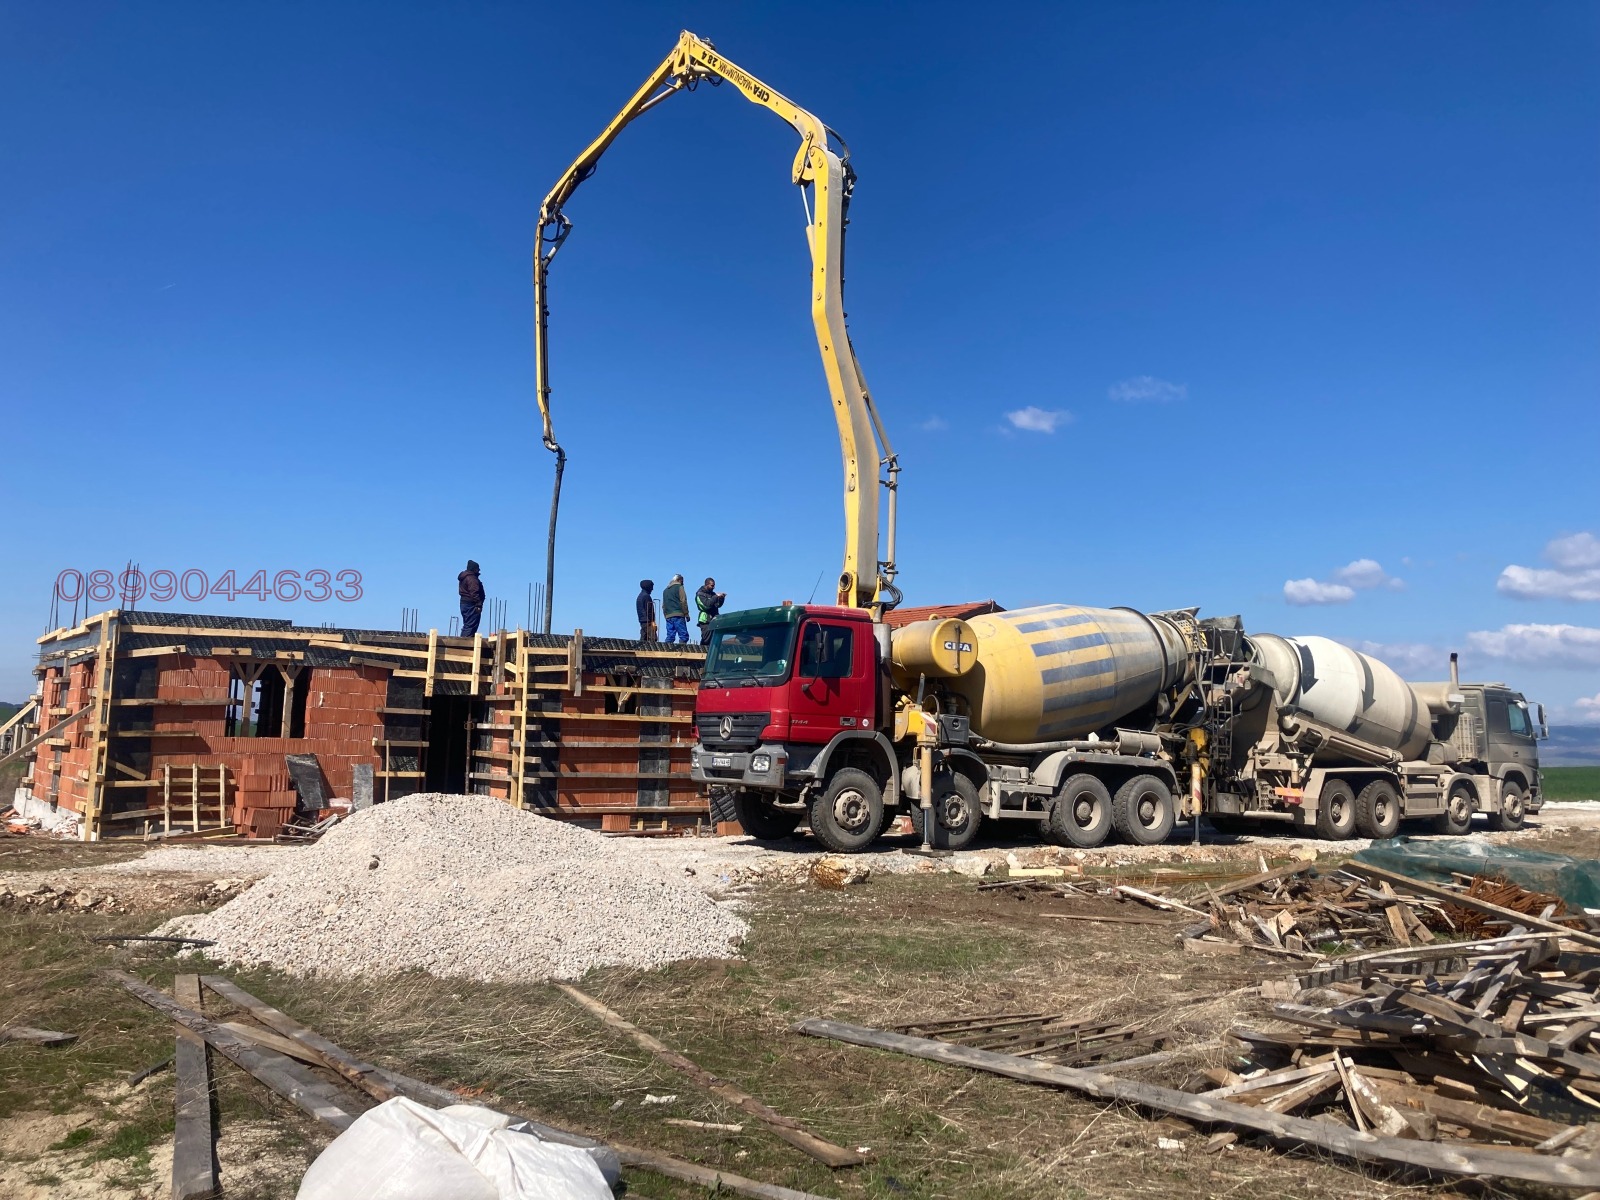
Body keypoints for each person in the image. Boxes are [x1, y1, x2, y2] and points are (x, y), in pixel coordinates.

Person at [458, 560, 485, 637]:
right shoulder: (472, 578)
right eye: (477, 568)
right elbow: (474, 592)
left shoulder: (465, 577)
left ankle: (465, 641)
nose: (479, 570)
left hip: (465, 603)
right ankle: (464, 642)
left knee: (468, 625)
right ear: (474, 569)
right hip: (471, 604)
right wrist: (478, 604)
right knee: (470, 625)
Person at [695, 577, 726, 645]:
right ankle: (702, 649)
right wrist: (715, 597)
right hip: (705, 620)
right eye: (712, 585)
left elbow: (717, 605)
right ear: (707, 584)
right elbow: (706, 605)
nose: (713, 587)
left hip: (714, 619)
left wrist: (721, 598)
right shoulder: (700, 594)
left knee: (713, 639)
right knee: (706, 639)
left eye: (714, 585)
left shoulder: (713, 594)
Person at [661, 574, 690, 644]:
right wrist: (686, 614)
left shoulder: (665, 591)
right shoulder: (679, 587)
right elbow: (683, 601)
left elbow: (663, 605)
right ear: (679, 580)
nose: (683, 583)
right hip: (678, 614)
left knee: (670, 636)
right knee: (683, 636)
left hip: (668, 615)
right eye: (682, 581)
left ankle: (667, 648)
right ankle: (682, 648)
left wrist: (665, 615)